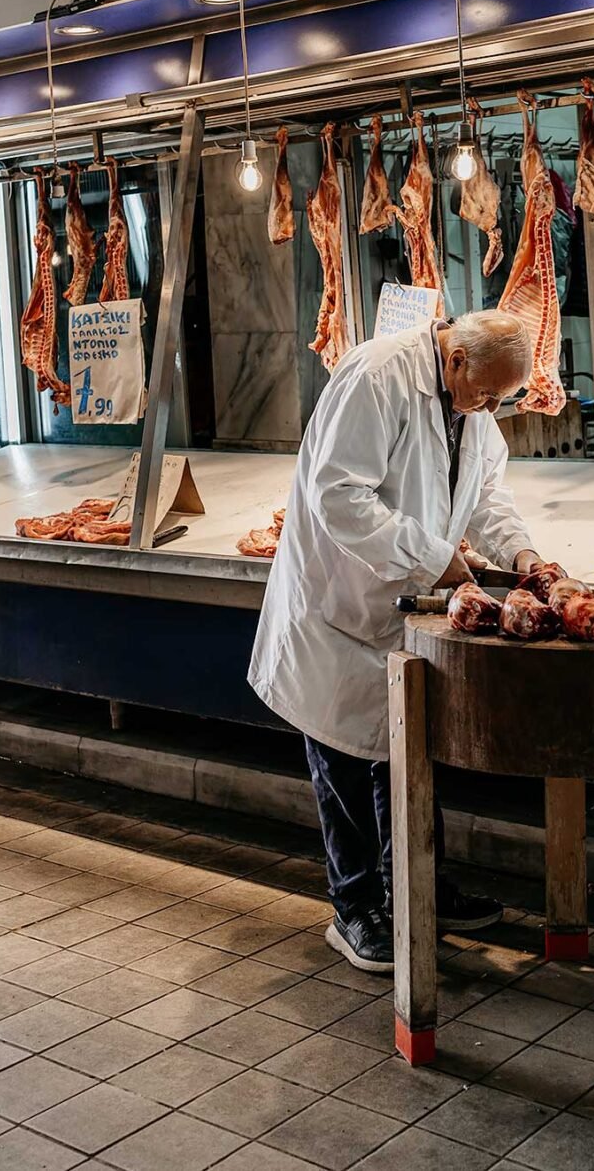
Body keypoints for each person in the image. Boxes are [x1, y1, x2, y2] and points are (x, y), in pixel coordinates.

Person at [249, 311, 543, 972]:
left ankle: (419, 891)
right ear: (458, 360)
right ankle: (352, 908)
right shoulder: (377, 375)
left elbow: (485, 491)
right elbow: (337, 496)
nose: (491, 409)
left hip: (397, 610)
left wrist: (522, 554)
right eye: (489, 395)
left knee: (407, 754)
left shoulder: (468, 396)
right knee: (344, 766)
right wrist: (433, 558)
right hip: (337, 607)